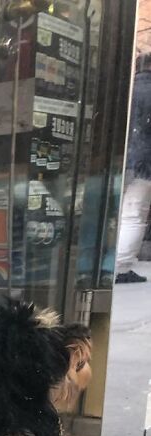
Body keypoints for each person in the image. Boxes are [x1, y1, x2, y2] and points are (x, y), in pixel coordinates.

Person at [116, 52, 151, 284]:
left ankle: (107, 264)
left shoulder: (126, 90)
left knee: (116, 213)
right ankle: (121, 266)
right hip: (145, 162)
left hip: (119, 159)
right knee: (134, 214)